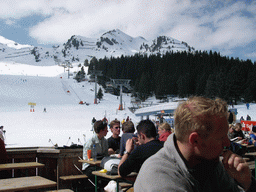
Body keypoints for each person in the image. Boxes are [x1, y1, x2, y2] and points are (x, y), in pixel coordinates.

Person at [134, 96, 256, 192]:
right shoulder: (159, 178)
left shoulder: (209, 162)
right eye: (221, 137)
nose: (227, 143)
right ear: (195, 140)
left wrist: (248, 184)